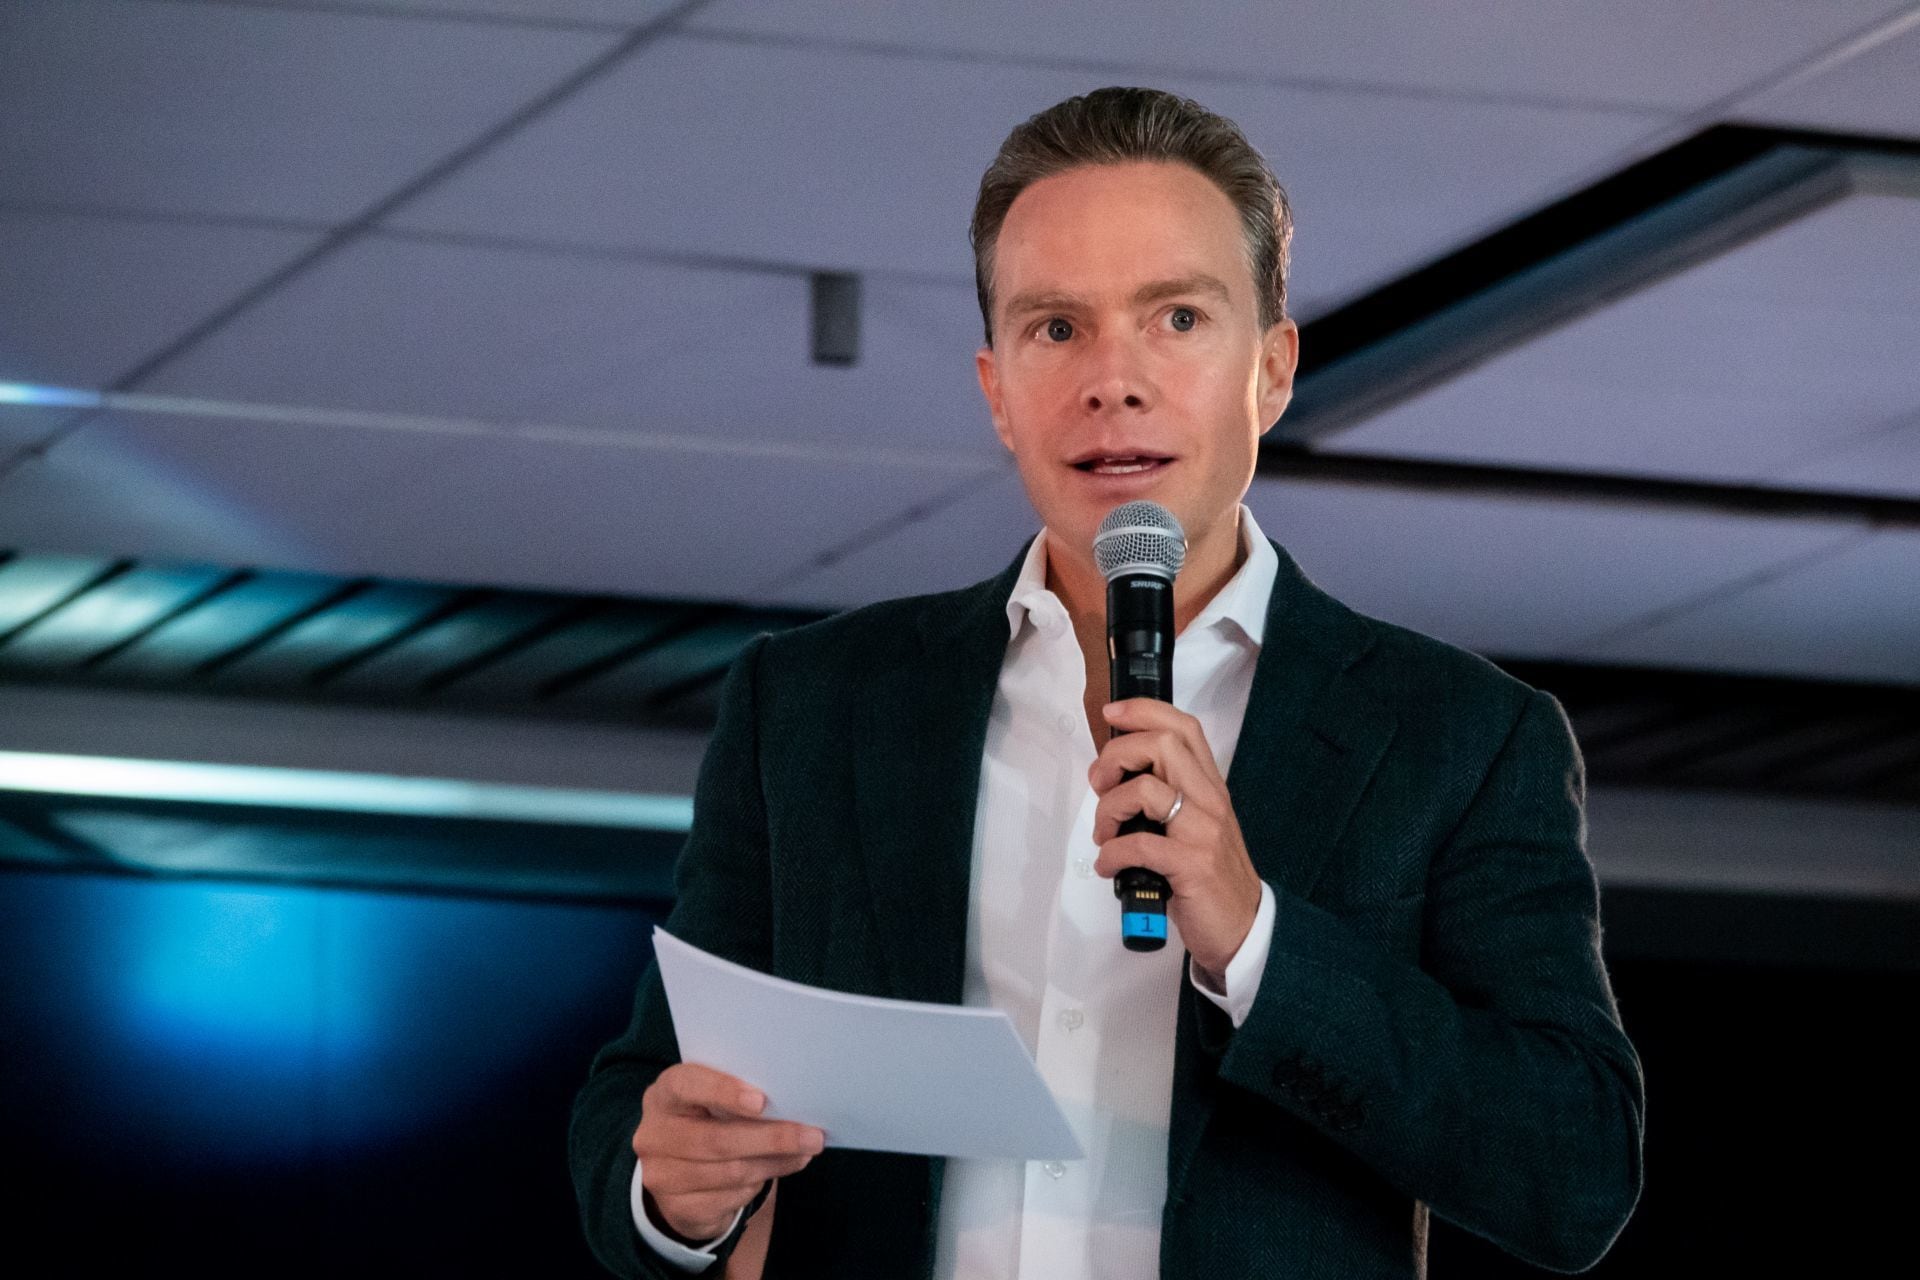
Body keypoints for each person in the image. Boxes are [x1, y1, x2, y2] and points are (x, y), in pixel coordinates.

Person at [571, 86, 1644, 1279]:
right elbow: (643, 1099)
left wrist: (1256, 937)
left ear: (1273, 369)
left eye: (1176, 318)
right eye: (1056, 328)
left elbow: (1574, 1166)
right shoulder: (814, 704)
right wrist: (672, 1190)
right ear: (996, 390)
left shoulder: (1458, 736)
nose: (1112, 381)